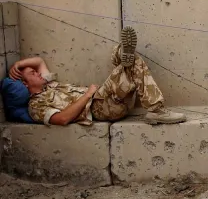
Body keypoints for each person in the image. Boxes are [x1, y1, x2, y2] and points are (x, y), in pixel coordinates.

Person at [8, 27, 186, 126]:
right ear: (25, 85)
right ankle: (155, 109)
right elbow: (61, 119)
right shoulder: (36, 105)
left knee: (131, 62)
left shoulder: (48, 85)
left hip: (110, 100)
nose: (38, 73)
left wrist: (19, 65)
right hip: (99, 108)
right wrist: (87, 95)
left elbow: (39, 61)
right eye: (33, 74)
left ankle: (122, 54)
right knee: (129, 62)